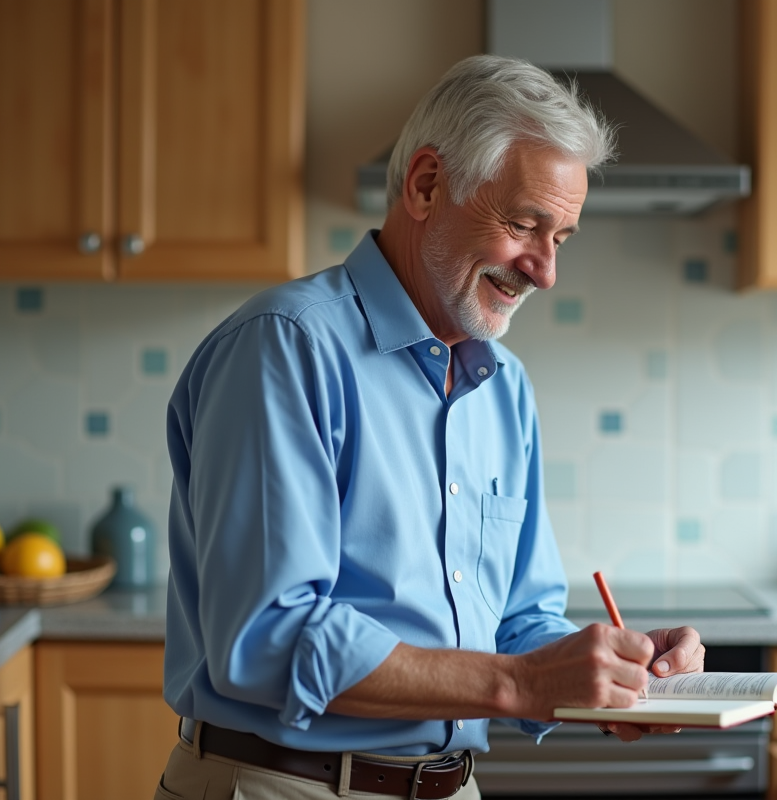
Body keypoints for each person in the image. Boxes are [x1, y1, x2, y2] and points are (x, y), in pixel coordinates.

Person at [154, 55, 706, 800]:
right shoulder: (286, 348)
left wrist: (613, 670)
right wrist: (518, 684)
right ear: (424, 185)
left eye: (561, 238)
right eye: (523, 225)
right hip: (281, 786)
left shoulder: (504, 389)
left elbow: (519, 623)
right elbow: (268, 640)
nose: (544, 270)